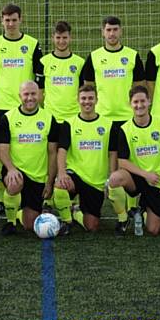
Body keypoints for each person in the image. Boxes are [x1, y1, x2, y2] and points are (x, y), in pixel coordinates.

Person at [82, 16, 146, 228]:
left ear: (121, 31)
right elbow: (88, 87)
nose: (112, 33)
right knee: (102, 161)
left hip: (128, 120)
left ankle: (132, 207)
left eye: (115, 30)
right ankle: (111, 208)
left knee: (129, 162)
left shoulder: (132, 56)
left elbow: (139, 86)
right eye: (108, 30)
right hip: (103, 120)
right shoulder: (94, 57)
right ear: (103, 32)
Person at [0, 3, 44, 217]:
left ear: (21, 20)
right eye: (7, 20)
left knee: (29, 149)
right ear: (2, 21)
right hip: (1, 108)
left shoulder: (32, 44)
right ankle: (1, 199)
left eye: (14, 20)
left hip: (25, 107)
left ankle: (32, 194)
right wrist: (0, 95)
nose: (10, 24)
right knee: (1, 155)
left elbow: (39, 75)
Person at [108, 85, 160, 237]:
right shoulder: (125, 129)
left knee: (153, 230)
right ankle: (123, 219)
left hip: (157, 181)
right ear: (130, 104)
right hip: (137, 178)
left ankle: (141, 211)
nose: (139, 105)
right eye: (135, 102)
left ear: (149, 101)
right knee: (115, 178)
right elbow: (122, 162)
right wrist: (145, 174)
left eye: (142, 101)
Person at [0, 81, 58, 236]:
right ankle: (10, 222)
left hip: (37, 177)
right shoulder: (8, 118)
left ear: (40, 95)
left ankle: (19, 213)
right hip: (16, 171)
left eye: (33, 94)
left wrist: (49, 182)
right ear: (20, 96)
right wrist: (11, 169)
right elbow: (2, 150)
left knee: (30, 225)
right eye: (26, 94)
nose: (30, 98)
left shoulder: (49, 119)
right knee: (15, 182)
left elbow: (52, 153)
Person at [53, 85, 116, 233]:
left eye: (90, 98)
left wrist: (112, 176)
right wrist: (61, 173)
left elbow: (112, 153)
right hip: (75, 175)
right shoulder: (69, 124)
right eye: (83, 98)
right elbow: (61, 150)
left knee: (92, 226)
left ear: (96, 100)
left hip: (95, 181)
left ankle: (75, 213)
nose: (87, 102)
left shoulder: (108, 125)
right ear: (78, 100)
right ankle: (67, 222)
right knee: (60, 187)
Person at [40, 21, 85, 123]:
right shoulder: (43, 62)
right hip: (50, 117)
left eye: (65, 37)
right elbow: (40, 93)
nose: (61, 41)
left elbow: (82, 91)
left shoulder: (80, 63)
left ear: (70, 38)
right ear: (53, 38)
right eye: (58, 37)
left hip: (74, 117)